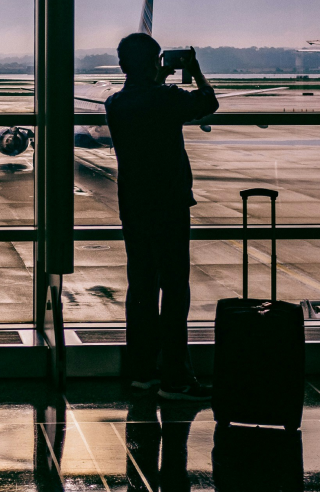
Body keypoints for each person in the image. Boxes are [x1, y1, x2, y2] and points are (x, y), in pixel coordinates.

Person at [105, 32, 219, 400]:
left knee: (141, 287)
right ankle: (176, 377)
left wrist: (156, 73)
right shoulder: (168, 98)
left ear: (121, 65)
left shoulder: (115, 104)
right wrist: (195, 70)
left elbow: (143, 94)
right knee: (174, 288)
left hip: (133, 205)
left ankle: (142, 372)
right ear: (156, 63)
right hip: (169, 204)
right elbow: (208, 103)